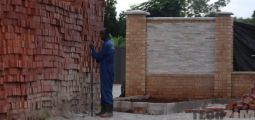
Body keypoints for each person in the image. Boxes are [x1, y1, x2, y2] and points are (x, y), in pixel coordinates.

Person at [89, 29, 115, 117]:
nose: (100, 35)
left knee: (106, 89)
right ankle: (103, 110)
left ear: (106, 34)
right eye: (100, 33)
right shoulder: (110, 43)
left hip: (107, 69)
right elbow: (101, 57)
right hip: (107, 69)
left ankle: (108, 111)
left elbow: (99, 56)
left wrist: (93, 49)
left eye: (102, 34)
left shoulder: (107, 45)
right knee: (104, 89)